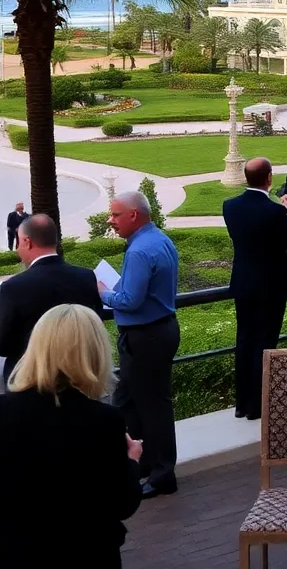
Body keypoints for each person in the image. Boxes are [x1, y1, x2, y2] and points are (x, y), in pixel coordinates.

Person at [0, 305, 143, 568]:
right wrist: (131, 461)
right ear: (95, 353)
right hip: (87, 553)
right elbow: (122, 504)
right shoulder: (104, 421)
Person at [103, 191, 181, 499]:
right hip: (157, 332)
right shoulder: (158, 239)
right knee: (128, 401)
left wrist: (102, 292)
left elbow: (129, 300)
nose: (111, 220)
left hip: (146, 336)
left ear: (134, 215)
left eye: (115, 215)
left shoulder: (138, 250)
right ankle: (143, 464)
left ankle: (162, 475)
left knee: (152, 406)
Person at [223, 158, 287, 421]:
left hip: (244, 283)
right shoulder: (274, 212)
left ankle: (242, 404)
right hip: (271, 285)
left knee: (244, 340)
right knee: (265, 343)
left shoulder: (230, 207)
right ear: (269, 178)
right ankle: (258, 405)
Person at [0, 214, 101, 381]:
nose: (17, 249)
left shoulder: (13, 287)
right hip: (77, 375)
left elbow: (3, 345)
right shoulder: (87, 277)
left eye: (18, 242)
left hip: (28, 379)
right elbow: (95, 320)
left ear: (27, 242)